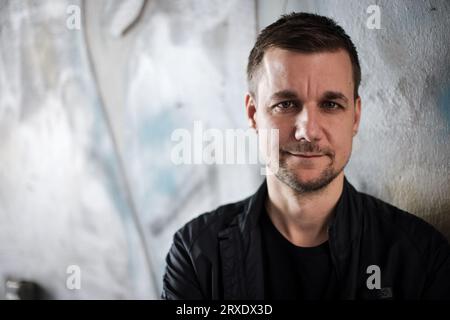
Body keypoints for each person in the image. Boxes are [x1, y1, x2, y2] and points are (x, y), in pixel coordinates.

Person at [161, 12, 450, 300]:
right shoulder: (196, 254)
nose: (308, 131)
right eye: (286, 104)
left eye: (331, 104)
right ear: (253, 114)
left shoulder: (422, 257)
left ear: (355, 117)